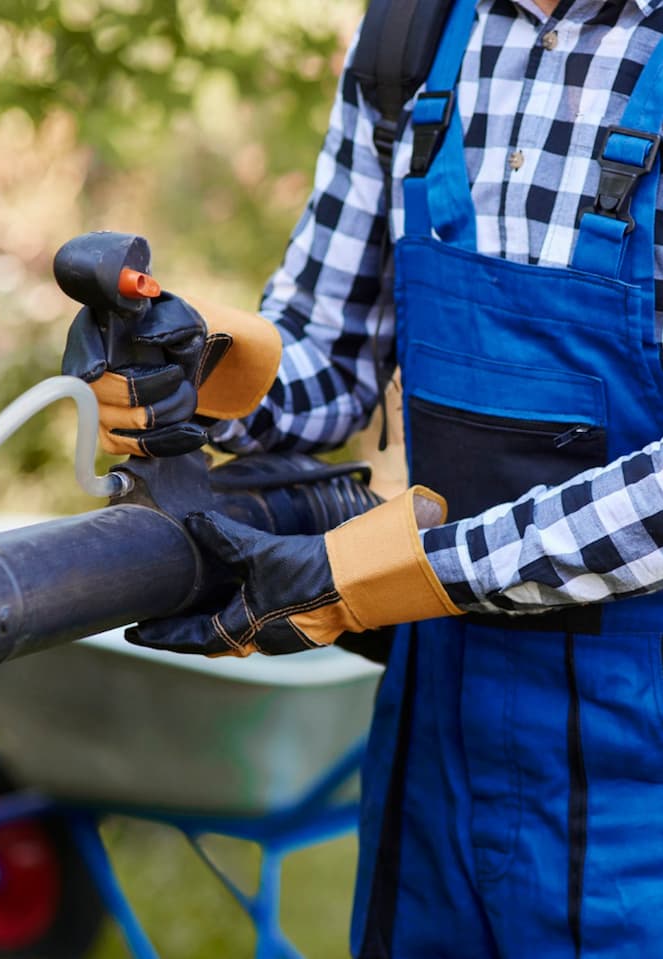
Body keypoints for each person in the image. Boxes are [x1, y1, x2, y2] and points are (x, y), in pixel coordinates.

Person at [62, 1, 663, 956]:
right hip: (438, 741)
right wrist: (199, 363)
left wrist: (382, 573)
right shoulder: (412, 38)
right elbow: (328, 354)